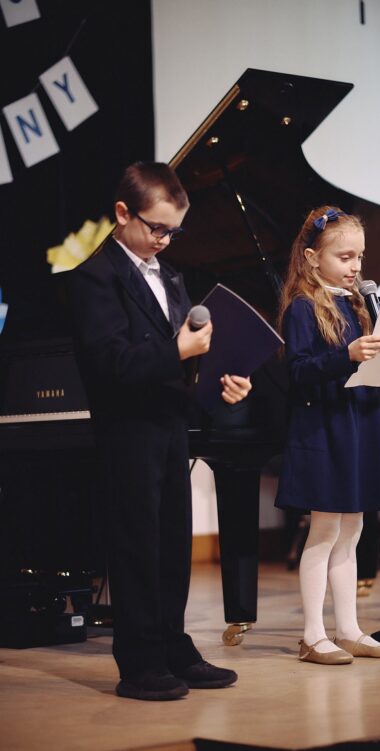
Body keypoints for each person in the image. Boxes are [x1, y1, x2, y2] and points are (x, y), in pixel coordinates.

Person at [68, 161, 251, 700]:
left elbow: (187, 360)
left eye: (174, 231)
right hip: (127, 430)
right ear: (122, 213)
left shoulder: (170, 276)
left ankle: (174, 646)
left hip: (170, 424)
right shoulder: (94, 277)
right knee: (136, 545)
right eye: (157, 228)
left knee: (172, 543)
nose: (165, 240)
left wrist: (221, 380)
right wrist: (178, 350)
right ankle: (140, 661)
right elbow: (110, 364)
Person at [275, 207, 380, 663]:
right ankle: (313, 635)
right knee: (326, 528)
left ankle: (348, 630)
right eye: (344, 257)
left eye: (359, 257)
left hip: (359, 422)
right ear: (312, 258)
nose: (355, 267)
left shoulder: (357, 303)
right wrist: (346, 355)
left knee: (354, 528)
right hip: (324, 426)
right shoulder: (303, 307)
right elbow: (298, 372)